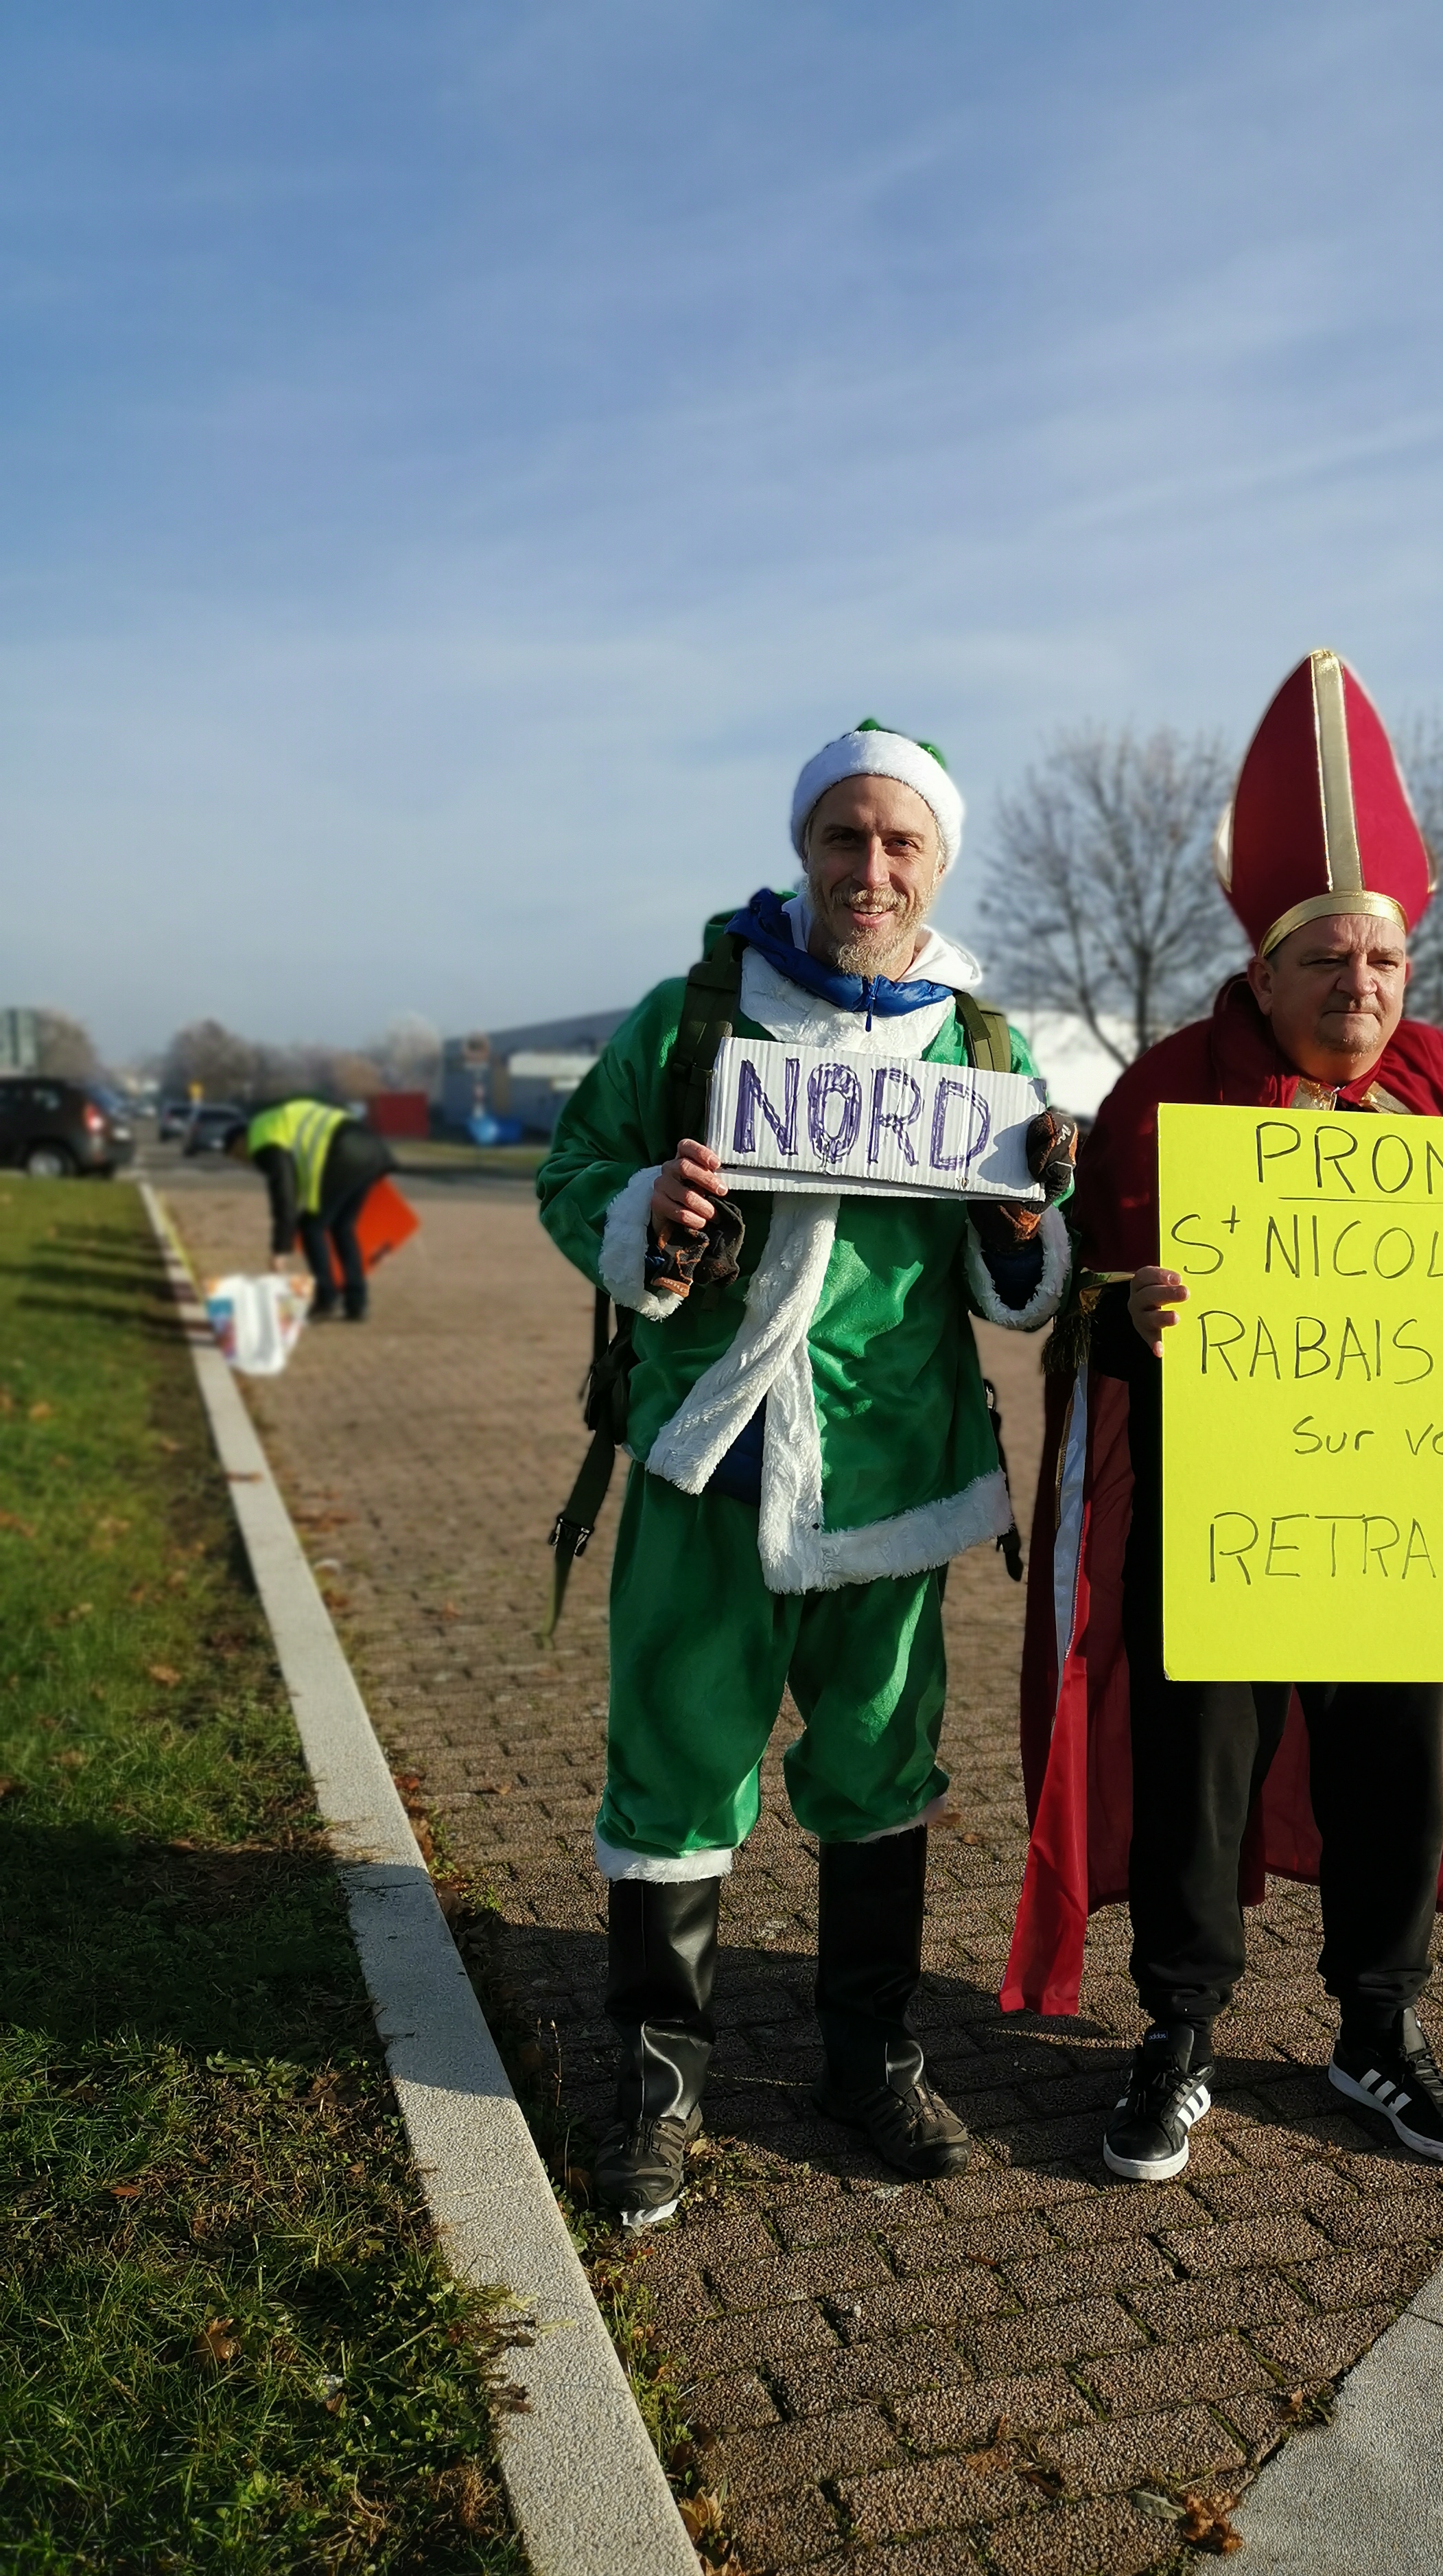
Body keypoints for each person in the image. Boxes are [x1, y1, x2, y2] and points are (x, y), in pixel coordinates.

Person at [1002, 650, 1443, 2185]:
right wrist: (1126, 1311)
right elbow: (1080, 1306)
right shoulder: (1165, 1094)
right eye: (1328, 957)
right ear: (1265, 973)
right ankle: (1179, 2033)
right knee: (1199, 1777)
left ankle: (1377, 2029)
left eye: (1383, 960)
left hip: (1406, 1523)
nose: (1361, 984)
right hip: (1221, 1519)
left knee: (1394, 1775)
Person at [538, 722, 1076, 2227]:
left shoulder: (981, 1050)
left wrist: (1026, 1225)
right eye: (846, 835)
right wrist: (648, 1206)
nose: (871, 868)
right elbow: (573, 1174)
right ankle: (658, 2090)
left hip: (896, 1472)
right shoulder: (692, 1015)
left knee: (881, 1776)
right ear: (804, 849)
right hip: (709, 1458)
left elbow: (1014, 1277)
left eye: (902, 842)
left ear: (938, 863)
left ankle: (870, 2061)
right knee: (672, 1769)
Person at [224, 1098, 396, 1323]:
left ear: (241, 1140)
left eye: (238, 1155)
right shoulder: (274, 1123)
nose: (244, 1162)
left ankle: (327, 1298)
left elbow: (284, 1194)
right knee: (343, 1227)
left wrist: (281, 1248)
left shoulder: (262, 1138)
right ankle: (357, 1302)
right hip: (373, 1149)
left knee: (311, 1227)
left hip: (342, 1151)